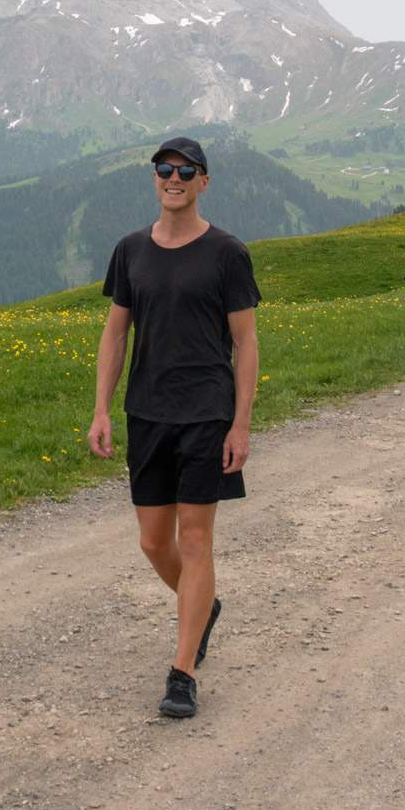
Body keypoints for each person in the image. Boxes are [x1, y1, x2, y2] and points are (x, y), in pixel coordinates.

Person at [87, 136, 260, 719]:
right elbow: (115, 333)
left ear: (204, 182)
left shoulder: (227, 253)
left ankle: (182, 673)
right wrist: (102, 409)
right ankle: (202, 604)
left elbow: (246, 341)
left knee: (194, 540)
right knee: (154, 542)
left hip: (207, 413)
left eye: (187, 170)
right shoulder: (131, 250)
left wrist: (241, 423)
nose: (174, 177)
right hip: (148, 412)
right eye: (165, 169)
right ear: (155, 178)